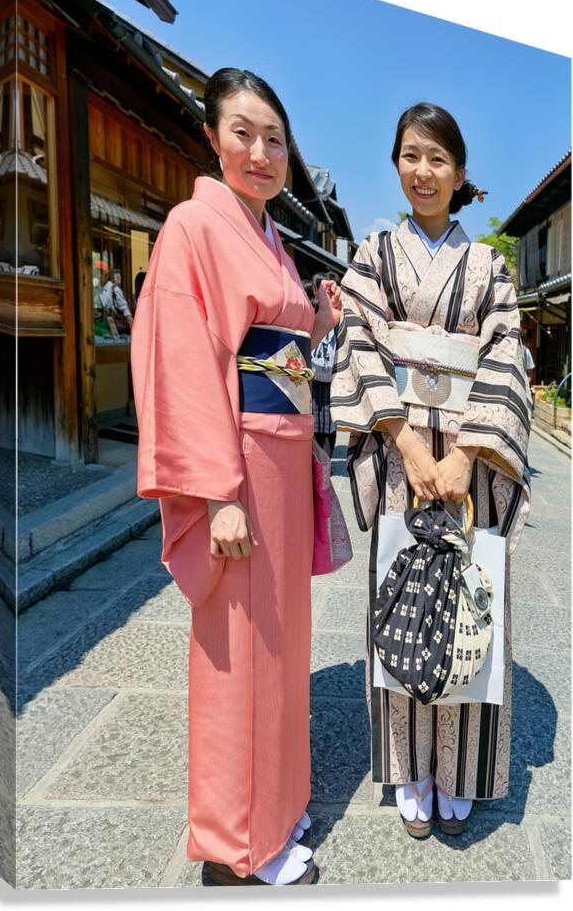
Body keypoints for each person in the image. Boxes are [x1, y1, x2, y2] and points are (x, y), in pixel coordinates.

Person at [131, 68, 341, 885]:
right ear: (213, 138)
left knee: (280, 646)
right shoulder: (193, 224)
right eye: (244, 133)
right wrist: (215, 491)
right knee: (238, 654)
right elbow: (186, 363)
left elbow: (280, 352)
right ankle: (236, 843)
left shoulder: (268, 236)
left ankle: (278, 808)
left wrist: (314, 323)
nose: (260, 151)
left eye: (275, 138)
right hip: (240, 466)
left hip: (282, 461)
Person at [330, 101, 531, 838]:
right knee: (404, 605)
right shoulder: (375, 254)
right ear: (396, 162)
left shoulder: (489, 267)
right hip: (398, 458)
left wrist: (466, 453)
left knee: (471, 605)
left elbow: (508, 354)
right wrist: (414, 447)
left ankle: (460, 768)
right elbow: (356, 338)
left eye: (438, 158)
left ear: (460, 173)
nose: (423, 170)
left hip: (468, 468)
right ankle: (411, 767)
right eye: (411, 155)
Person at [310, 271, 339, 460]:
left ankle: (324, 463)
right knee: (316, 420)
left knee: (329, 421)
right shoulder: (310, 308)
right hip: (315, 373)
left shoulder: (340, 312)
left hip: (329, 375)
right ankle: (319, 461)